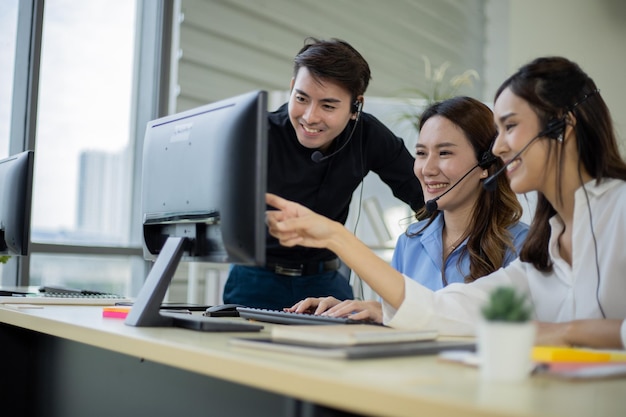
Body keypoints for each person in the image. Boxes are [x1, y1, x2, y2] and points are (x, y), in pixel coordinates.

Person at [266, 56, 626, 349]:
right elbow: (446, 310)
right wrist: (334, 237)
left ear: (563, 128)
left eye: (511, 126)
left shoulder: (618, 211)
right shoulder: (540, 250)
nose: (498, 148)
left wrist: (567, 333)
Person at [222, 38, 424, 310]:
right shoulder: (257, 133)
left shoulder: (368, 135)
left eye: (328, 106)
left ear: (356, 107)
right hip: (256, 279)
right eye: (301, 98)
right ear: (292, 87)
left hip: (326, 279)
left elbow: (423, 195)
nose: (310, 117)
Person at [291, 96, 528, 323]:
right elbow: (397, 325)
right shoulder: (411, 241)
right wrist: (349, 313)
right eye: (422, 153)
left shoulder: (522, 246)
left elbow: (512, 333)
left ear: (486, 165)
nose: (427, 169)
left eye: (444, 153)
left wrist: (389, 313)